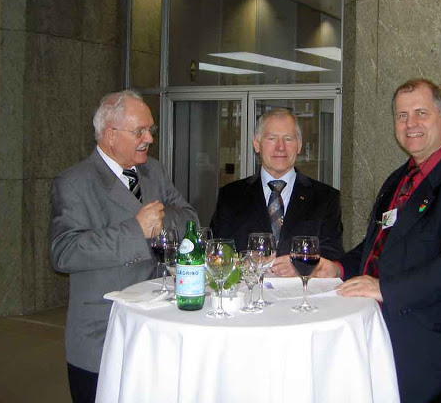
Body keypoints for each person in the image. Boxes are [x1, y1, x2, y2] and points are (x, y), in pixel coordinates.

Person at [316, 79, 441, 403]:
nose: (410, 123)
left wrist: (384, 288)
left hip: (433, 347)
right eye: (401, 116)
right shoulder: (399, 179)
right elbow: (378, 243)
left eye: (420, 113)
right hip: (387, 334)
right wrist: (338, 268)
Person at [49, 90, 197, 403]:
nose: (149, 138)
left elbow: (189, 219)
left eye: (150, 130)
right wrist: (136, 229)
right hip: (104, 330)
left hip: (159, 324)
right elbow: (65, 252)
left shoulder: (153, 171)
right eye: (139, 131)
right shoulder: (74, 182)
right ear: (110, 135)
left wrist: (157, 223)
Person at [210, 108, 344, 276]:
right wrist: (243, 262)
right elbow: (217, 252)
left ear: (299, 145)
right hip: (247, 290)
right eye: (272, 138)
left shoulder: (325, 198)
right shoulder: (230, 195)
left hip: (302, 291)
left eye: (288, 139)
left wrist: (302, 265)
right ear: (256, 144)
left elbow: (334, 256)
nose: (280, 147)